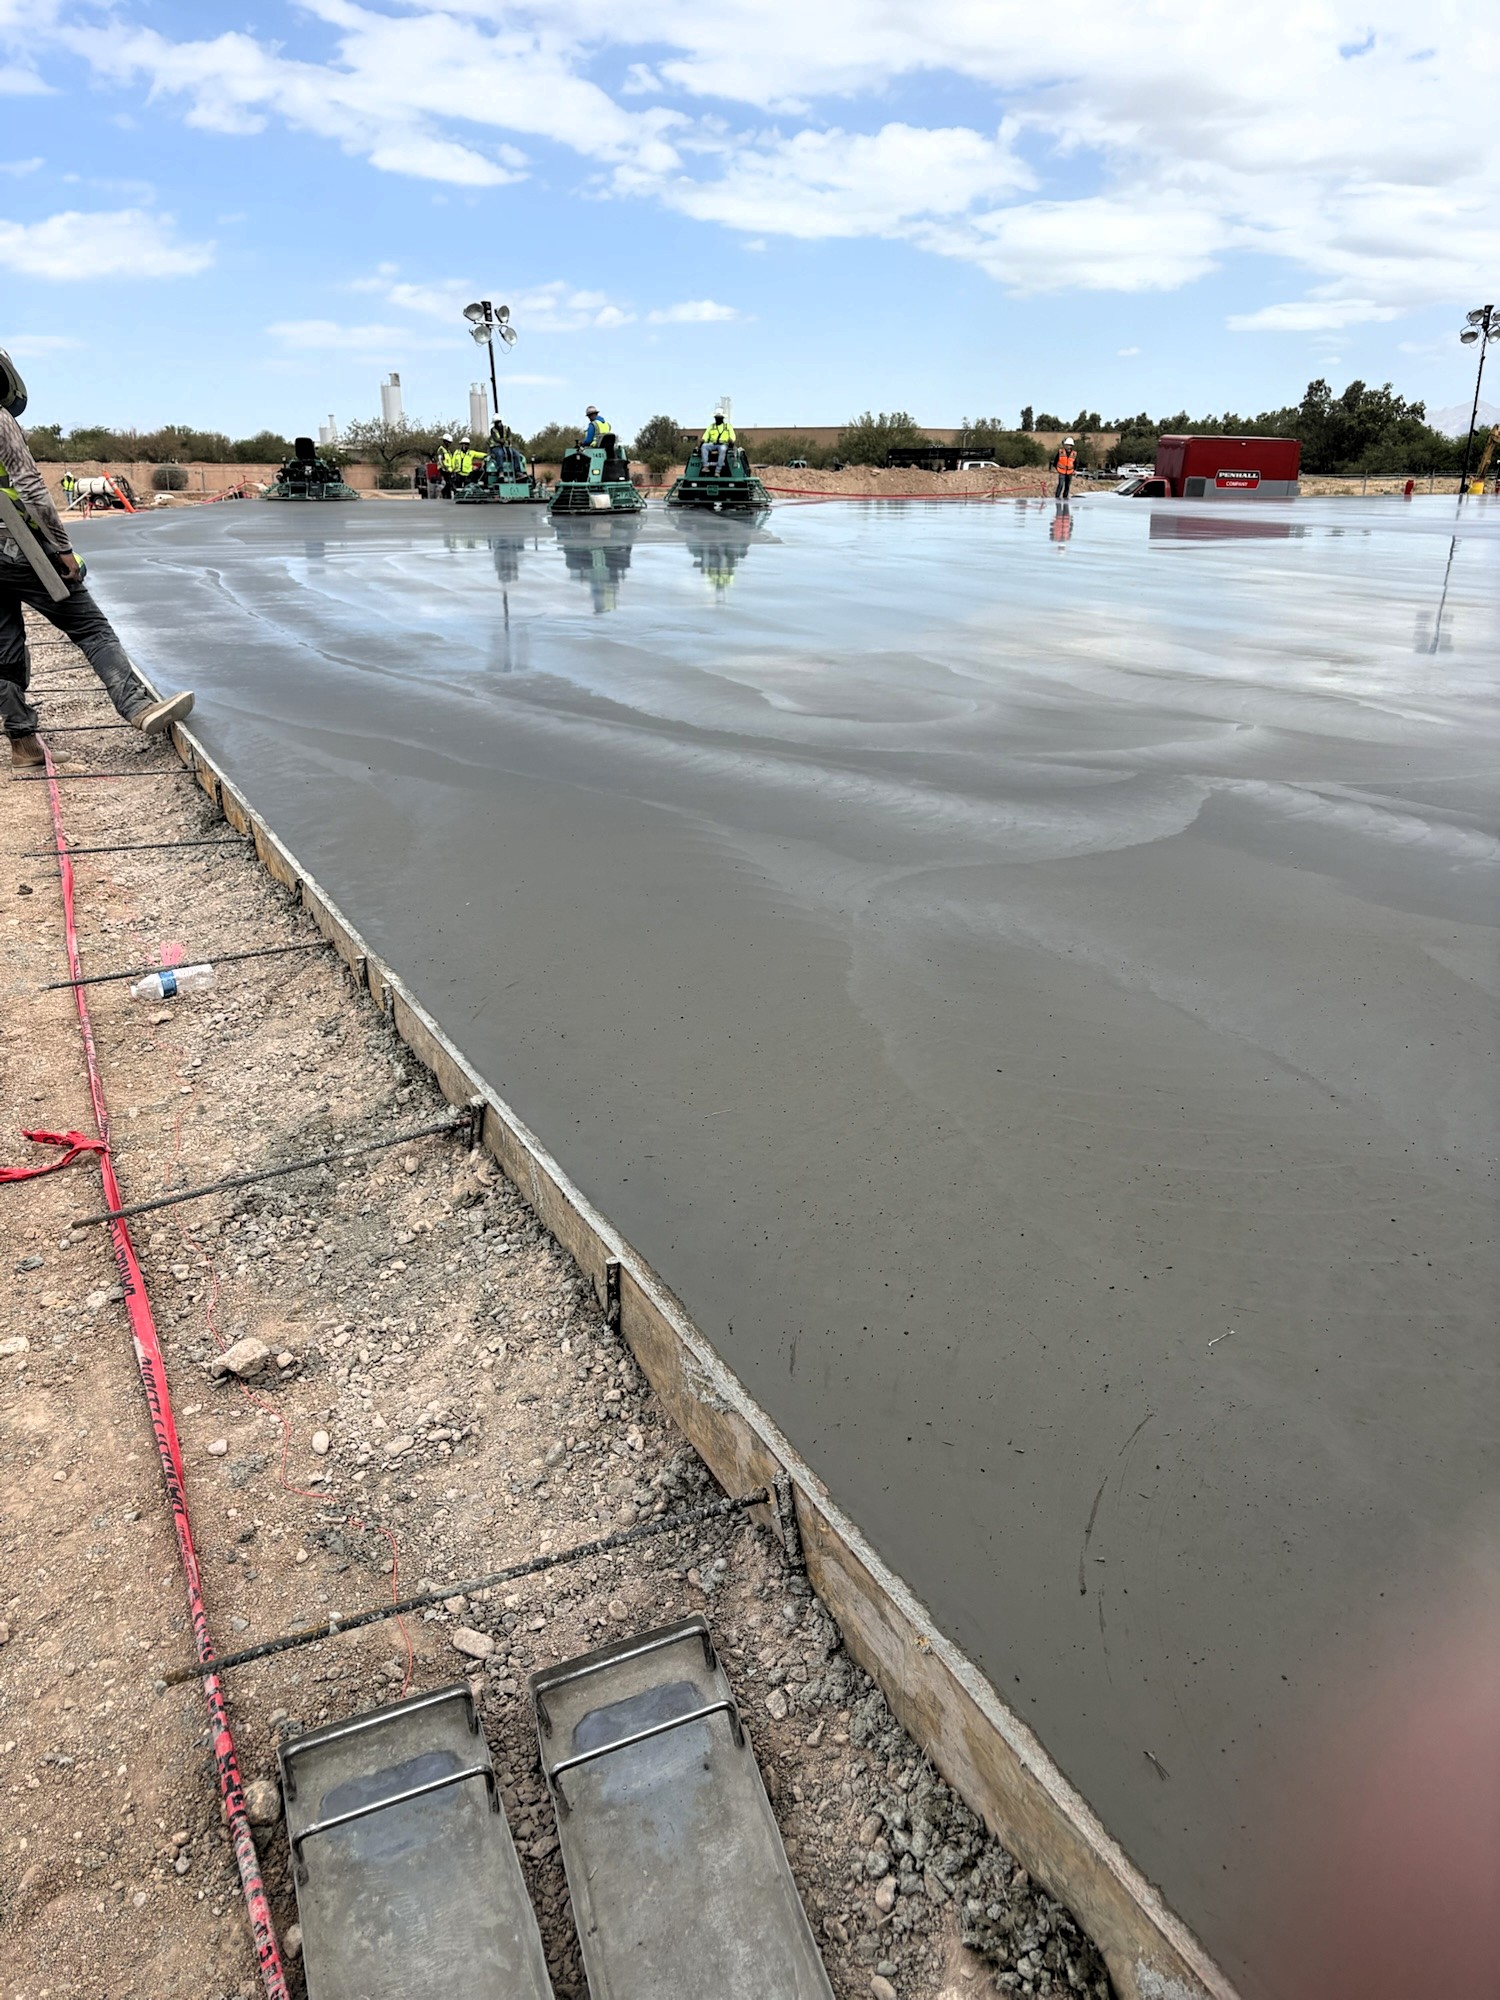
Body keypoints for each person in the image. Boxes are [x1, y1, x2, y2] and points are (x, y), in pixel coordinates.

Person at [0, 349, 192, 769]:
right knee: (90, 627)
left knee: (4, 647)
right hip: (18, 550)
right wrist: (62, 547)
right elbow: (30, 487)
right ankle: (136, 706)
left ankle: (23, 744)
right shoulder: (0, 419)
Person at [701, 411, 735, 475]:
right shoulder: (711, 426)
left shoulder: (728, 426)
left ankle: (717, 471)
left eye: (719, 418)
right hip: (712, 444)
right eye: (716, 418)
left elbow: (732, 437)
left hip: (723, 444)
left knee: (722, 449)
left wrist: (731, 440)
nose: (718, 419)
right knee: (704, 446)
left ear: (722, 418)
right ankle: (705, 466)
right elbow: (705, 436)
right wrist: (703, 440)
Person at [1052, 436, 1077, 501]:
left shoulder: (1074, 453)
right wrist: (1055, 468)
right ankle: (1057, 497)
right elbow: (1055, 461)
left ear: (1071, 446)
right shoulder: (1061, 452)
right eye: (1066, 445)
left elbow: (1075, 462)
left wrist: (1074, 470)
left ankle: (1065, 498)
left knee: (1067, 486)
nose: (1067, 446)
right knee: (1060, 484)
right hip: (1061, 471)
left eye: (1069, 445)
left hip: (1070, 472)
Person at [438, 432, 458, 498]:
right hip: (444, 470)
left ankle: (447, 495)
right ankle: (444, 492)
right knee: (449, 483)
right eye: (449, 442)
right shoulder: (441, 449)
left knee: (449, 483)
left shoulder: (448, 451)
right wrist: (445, 468)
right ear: (445, 442)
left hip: (449, 470)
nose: (449, 444)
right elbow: (440, 460)